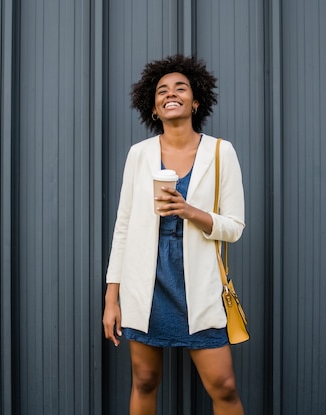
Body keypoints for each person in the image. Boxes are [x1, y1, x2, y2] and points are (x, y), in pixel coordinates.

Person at [102, 54, 245, 414]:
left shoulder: (220, 151)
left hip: (198, 283)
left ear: (196, 101)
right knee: (145, 379)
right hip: (145, 282)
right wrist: (111, 298)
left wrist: (189, 211)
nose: (171, 94)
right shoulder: (139, 155)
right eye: (162, 90)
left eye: (181, 87)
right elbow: (124, 227)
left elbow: (234, 228)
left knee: (224, 386)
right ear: (153, 107)